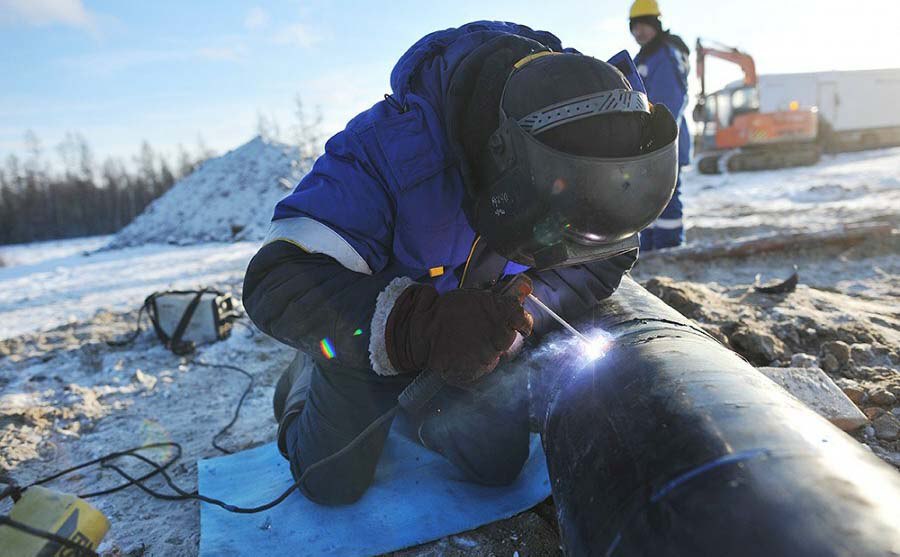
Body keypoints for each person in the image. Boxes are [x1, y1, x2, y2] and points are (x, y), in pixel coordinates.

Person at [243, 21, 678, 505]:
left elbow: (603, 260)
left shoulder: (595, 136)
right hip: (369, 328)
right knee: (330, 480)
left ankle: (419, 406)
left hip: (469, 328)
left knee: (495, 464)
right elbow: (276, 276)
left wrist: (513, 320)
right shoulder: (388, 150)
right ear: (505, 165)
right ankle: (306, 376)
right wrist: (419, 328)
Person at [630, 0, 691, 250]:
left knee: (666, 192)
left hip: (663, 138)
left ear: (656, 24)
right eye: (634, 27)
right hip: (647, 138)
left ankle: (669, 247)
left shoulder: (664, 53)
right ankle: (652, 247)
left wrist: (658, 137)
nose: (638, 32)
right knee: (647, 195)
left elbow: (670, 100)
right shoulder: (645, 55)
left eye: (644, 25)